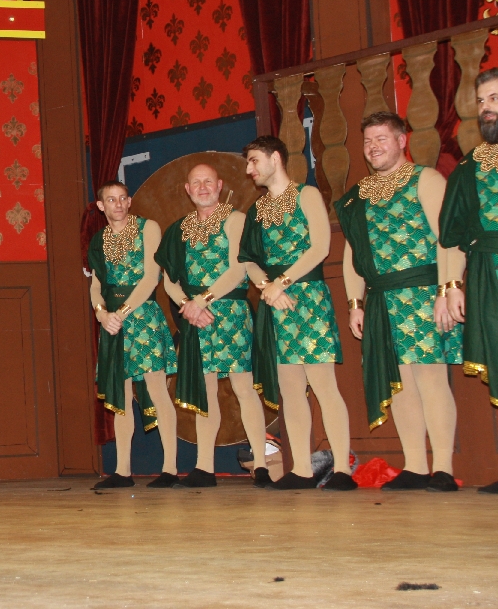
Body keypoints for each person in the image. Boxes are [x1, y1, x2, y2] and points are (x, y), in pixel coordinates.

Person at [337, 112, 462, 492]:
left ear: (401, 141)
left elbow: (448, 237)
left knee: (429, 377)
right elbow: (353, 252)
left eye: (381, 139)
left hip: (423, 293)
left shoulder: (426, 179)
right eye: (367, 141)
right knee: (401, 383)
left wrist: (446, 290)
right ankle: (415, 466)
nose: (373, 147)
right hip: (380, 300)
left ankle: (443, 468)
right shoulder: (358, 195)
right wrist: (355, 303)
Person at [238, 136, 356, 491]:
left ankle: (342, 470)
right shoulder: (257, 210)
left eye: (254, 160)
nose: (250, 169)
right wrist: (268, 288)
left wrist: (282, 283)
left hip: (308, 298)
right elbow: (248, 260)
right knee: (290, 390)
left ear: (275, 158)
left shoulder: (307, 195)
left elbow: (320, 247)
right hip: (275, 303)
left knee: (323, 385)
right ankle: (302, 469)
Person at [156, 163, 272, 488]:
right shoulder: (178, 230)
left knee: (243, 388)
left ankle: (261, 465)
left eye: (208, 181)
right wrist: (188, 306)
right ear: (187, 189)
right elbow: (168, 281)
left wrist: (201, 301)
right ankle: (204, 467)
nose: (203, 187)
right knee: (204, 392)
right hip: (196, 318)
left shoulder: (236, 220)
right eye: (196, 182)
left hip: (231, 313)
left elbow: (239, 269)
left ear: (219, 185)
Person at [87, 181, 180, 489]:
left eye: (122, 198)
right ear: (101, 205)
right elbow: (96, 285)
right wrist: (102, 314)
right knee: (121, 395)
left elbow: (151, 277)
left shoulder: (147, 228)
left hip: (142, 318)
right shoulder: (99, 240)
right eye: (111, 199)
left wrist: (121, 313)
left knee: (157, 389)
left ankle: (170, 469)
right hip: (113, 323)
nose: (118, 204)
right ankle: (122, 471)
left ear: (129, 202)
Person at [441, 66, 498, 494]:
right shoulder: (469, 168)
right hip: (486, 277)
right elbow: (454, 235)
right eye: (481, 102)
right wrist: (451, 286)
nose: (486, 109)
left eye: (494, 99)